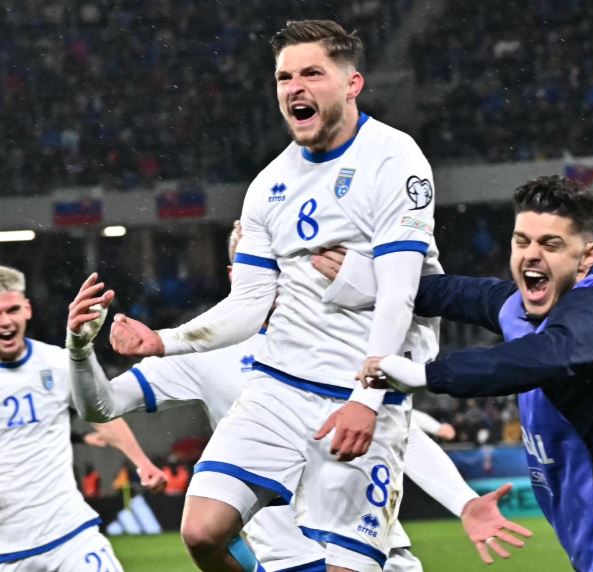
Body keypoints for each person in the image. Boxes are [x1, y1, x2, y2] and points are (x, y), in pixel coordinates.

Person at [105, 19, 446, 572]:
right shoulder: (269, 184)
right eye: (285, 77)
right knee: (202, 532)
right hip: (279, 385)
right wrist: (163, 341)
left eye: (312, 73)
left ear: (352, 84)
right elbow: (250, 303)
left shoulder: (394, 158)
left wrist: (366, 398)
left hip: (359, 390)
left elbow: (399, 294)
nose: (294, 88)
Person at [65, 224, 532, 571]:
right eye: (264, 262)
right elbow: (100, 406)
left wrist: (465, 501)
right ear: (236, 274)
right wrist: (81, 351)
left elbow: (399, 434)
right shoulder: (202, 349)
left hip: (377, 552)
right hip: (288, 560)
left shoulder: (346, 340)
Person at [322, 175, 593, 572]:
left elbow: (547, 354)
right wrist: (371, 281)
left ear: (588, 256)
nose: (531, 255)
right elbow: (453, 293)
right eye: (522, 241)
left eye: (551, 244)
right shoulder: (519, 308)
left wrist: (428, 375)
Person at [0, 265, 166, 571]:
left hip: (72, 535)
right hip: (3, 551)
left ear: (27, 309)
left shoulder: (56, 361)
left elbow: (100, 415)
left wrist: (141, 462)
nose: (5, 321)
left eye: (12, 310)